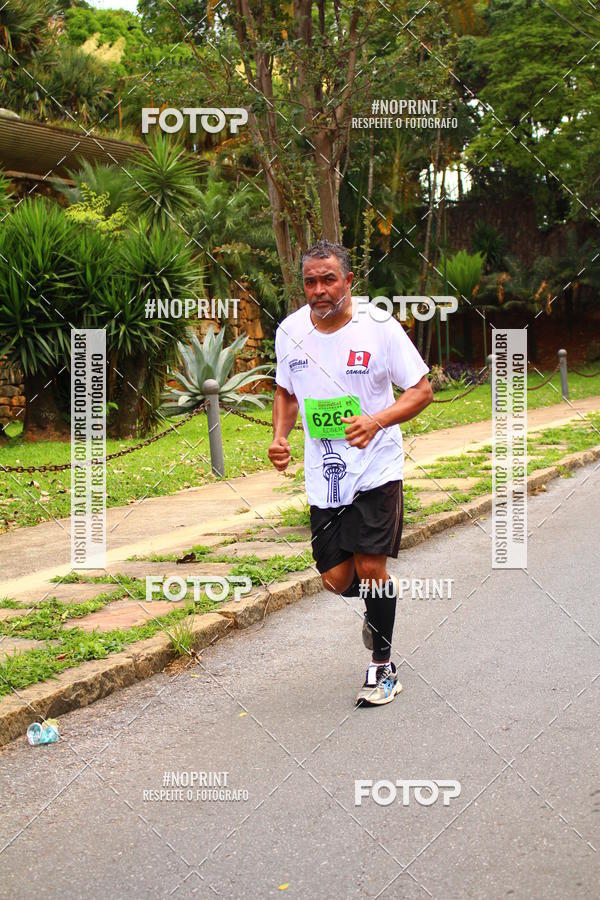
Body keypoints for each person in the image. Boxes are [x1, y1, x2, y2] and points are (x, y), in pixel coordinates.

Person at [268, 240, 433, 706]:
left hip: (377, 465)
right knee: (336, 579)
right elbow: (285, 392)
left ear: (348, 282)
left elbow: (421, 391)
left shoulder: (379, 328)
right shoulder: (290, 331)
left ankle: (383, 667)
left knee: (370, 565)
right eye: (310, 281)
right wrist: (280, 437)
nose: (319, 290)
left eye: (328, 279)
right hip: (326, 473)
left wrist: (376, 420)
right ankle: (379, 606)